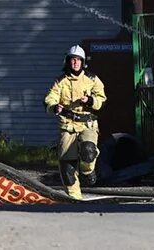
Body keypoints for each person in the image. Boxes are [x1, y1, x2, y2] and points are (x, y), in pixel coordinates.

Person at [44, 45, 106, 200]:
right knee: (67, 166)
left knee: (88, 150)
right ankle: (75, 198)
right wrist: (54, 107)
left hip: (87, 124)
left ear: (83, 62)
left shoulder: (92, 79)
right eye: (72, 60)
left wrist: (91, 100)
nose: (75, 63)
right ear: (67, 62)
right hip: (68, 125)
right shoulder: (60, 81)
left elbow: (102, 99)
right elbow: (50, 98)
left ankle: (87, 170)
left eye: (78, 60)